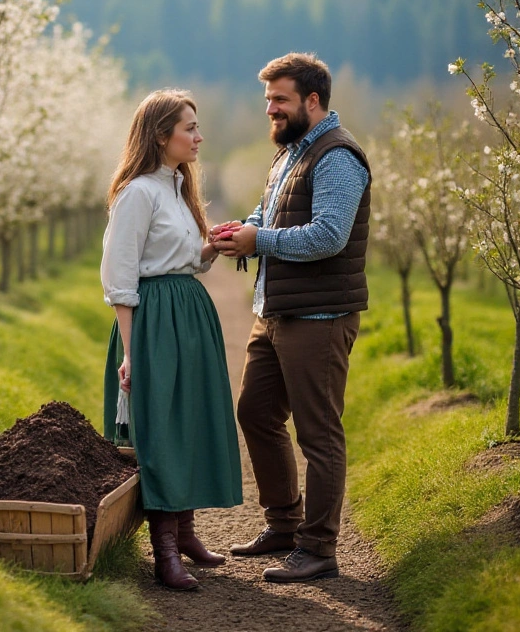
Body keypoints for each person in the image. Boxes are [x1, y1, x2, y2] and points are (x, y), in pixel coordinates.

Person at [212, 52, 371, 584]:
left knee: (318, 433)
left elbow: (328, 235)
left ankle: (319, 546)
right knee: (255, 412)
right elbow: (272, 212)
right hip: (277, 311)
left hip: (320, 317)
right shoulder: (288, 155)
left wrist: (261, 240)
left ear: (312, 100)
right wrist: (244, 228)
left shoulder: (338, 156)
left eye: (279, 100)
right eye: (267, 101)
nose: (270, 111)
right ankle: (284, 524)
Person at [100, 89, 244, 591]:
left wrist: (210, 247)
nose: (198, 137)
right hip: (155, 322)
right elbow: (121, 278)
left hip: (189, 315)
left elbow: (180, 258)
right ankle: (163, 550)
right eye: (189, 128)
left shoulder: (177, 187)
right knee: (159, 426)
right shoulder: (137, 192)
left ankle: (184, 532)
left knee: (188, 420)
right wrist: (131, 351)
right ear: (162, 135)